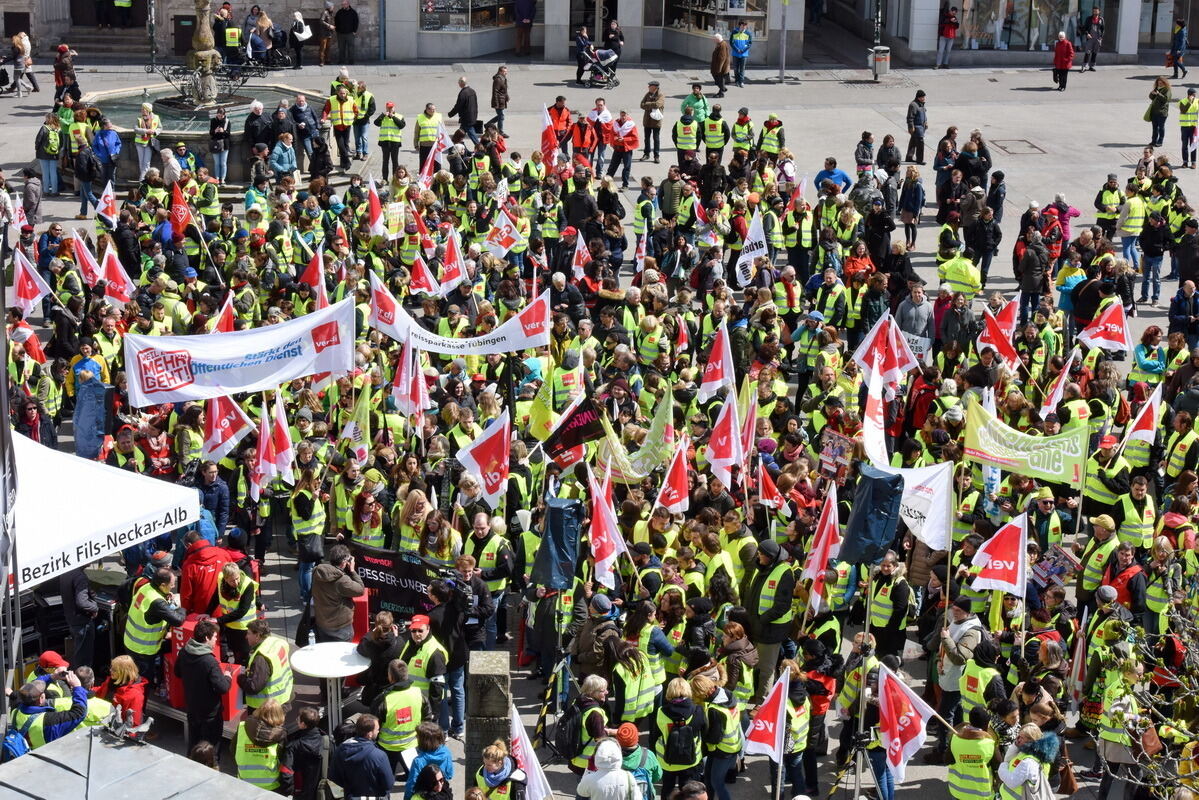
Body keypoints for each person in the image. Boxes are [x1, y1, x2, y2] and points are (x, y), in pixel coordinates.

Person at [174, 618, 233, 757]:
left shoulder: (184, 652)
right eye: (214, 637)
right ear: (207, 638)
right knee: (210, 750)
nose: (215, 641)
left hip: (192, 709)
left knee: (194, 744)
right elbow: (223, 687)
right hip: (210, 714)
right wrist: (228, 676)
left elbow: (177, 672)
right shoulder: (209, 661)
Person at [10, 673, 87, 749]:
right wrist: (77, 687)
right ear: (41, 698)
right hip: (45, 757)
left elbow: (19, 694)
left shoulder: (15, 709)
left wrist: (53, 676)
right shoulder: (49, 720)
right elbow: (79, 713)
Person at [234, 699, 293, 793]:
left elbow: (233, 750)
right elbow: (284, 760)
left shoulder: (242, 727)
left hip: (244, 781)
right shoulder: (280, 736)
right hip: (271, 785)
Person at [330, 714, 395, 797]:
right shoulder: (379, 755)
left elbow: (334, 777)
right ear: (369, 734)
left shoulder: (340, 749)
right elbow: (388, 784)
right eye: (377, 729)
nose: (379, 731)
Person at [312, 543, 365, 642]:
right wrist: (352, 571)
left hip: (322, 623)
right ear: (344, 562)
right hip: (340, 627)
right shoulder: (341, 580)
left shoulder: (318, 572)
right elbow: (360, 589)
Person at [239, 619, 295, 710]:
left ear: (257, 635)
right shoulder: (278, 642)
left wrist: (240, 677)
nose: (246, 637)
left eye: (248, 633)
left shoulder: (261, 658)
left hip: (267, 708)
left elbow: (253, 687)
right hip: (284, 697)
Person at [449, 77, 480, 146]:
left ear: (461, 83)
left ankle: (480, 148)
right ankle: (454, 145)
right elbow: (475, 104)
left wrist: (450, 114)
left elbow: (458, 106)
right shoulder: (472, 91)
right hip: (472, 115)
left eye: (459, 83)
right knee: (460, 133)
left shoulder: (463, 93)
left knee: (471, 134)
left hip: (466, 118)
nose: (458, 84)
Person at [487, 65, 510, 138]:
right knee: (501, 116)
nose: (506, 73)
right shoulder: (498, 79)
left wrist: (507, 97)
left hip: (502, 100)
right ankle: (500, 132)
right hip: (499, 101)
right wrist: (496, 103)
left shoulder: (502, 78)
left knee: (500, 116)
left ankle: (488, 124)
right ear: (500, 71)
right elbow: (495, 92)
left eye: (506, 72)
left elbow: (504, 90)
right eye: (504, 72)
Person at [1080, 6, 1104, 70]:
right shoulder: (1089, 19)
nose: (1095, 12)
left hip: (1098, 38)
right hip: (1090, 37)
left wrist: (1101, 38)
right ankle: (1084, 66)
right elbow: (1084, 28)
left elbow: (1103, 29)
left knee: (1095, 52)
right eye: (1094, 11)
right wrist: (1087, 34)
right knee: (1087, 52)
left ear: (1099, 11)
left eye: (1096, 11)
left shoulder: (1101, 19)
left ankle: (1091, 66)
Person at [730, 20, 752, 87]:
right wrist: (737, 49)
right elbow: (731, 42)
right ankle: (737, 81)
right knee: (736, 68)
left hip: (744, 54)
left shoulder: (748, 33)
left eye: (745, 26)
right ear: (739, 26)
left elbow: (749, 44)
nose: (744, 27)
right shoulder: (734, 32)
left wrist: (743, 50)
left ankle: (741, 81)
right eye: (742, 26)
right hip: (735, 53)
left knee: (742, 68)